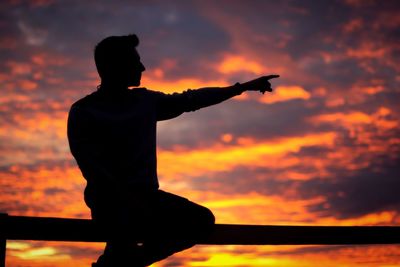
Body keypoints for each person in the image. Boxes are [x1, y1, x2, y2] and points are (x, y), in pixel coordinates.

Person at [67, 34, 279, 267]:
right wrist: (130, 200)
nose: (143, 67)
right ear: (117, 65)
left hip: (145, 201)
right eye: (136, 61)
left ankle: (125, 264)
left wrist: (242, 88)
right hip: (112, 204)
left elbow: (191, 99)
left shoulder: (145, 101)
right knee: (126, 238)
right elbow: (93, 170)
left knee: (201, 220)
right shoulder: (83, 111)